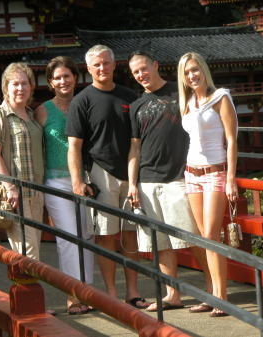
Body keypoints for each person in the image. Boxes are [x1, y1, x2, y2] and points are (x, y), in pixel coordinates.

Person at [65, 45, 150, 309]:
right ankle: (111, 293)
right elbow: (74, 146)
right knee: (105, 235)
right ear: (88, 70)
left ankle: (132, 292)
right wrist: (77, 180)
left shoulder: (129, 96)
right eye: (96, 65)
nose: (102, 68)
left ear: (114, 65)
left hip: (133, 173)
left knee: (131, 235)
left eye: (106, 63)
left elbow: (140, 138)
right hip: (101, 173)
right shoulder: (82, 101)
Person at [127, 51, 213, 313]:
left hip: (179, 176)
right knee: (161, 242)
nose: (141, 75)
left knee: (194, 237)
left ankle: (214, 291)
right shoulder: (135, 106)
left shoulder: (182, 93)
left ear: (155, 65)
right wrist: (133, 183)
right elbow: (134, 149)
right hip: (148, 180)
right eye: (135, 72)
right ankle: (172, 293)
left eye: (144, 68)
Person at [177, 52, 239, 317]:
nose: (192, 76)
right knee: (202, 238)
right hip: (191, 173)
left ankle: (222, 298)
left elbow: (232, 140)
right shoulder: (188, 101)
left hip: (215, 172)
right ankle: (213, 293)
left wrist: (231, 179)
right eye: (187, 73)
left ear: (203, 69)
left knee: (212, 237)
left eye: (195, 70)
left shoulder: (220, 97)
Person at [35, 56, 95, 315]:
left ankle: (88, 292)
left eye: (67, 76)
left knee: (87, 236)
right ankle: (72, 295)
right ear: (50, 82)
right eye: (57, 77)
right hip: (55, 181)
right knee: (69, 238)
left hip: (85, 180)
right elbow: (35, 147)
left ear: (75, 78)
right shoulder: (43, 110)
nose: (63, 81)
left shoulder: (85, 104)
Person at [0, 62, 44, 261]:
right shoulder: (0, 115)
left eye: (25, 83)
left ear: (31, 87)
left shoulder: (32, 115)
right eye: (15, 84)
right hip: (16, 196)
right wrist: (10, 187)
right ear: (6, 88)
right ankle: (26, 292)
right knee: (28, 256)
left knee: (34, 249)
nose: (21, 88)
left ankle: (27, 290)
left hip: (36, 193)